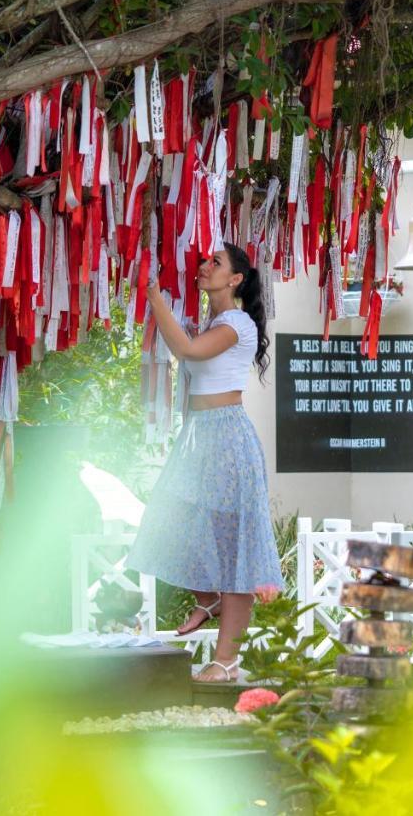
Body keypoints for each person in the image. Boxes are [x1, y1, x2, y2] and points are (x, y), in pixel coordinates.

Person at [127, 242, 283, 683]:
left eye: (217, 263)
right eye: (206, 259)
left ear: (235, 279)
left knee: (235, 550)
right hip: (198, 436)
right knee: (169, 518)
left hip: (227, 437)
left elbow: (189, 353)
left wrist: (155, 298)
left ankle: (226, 660)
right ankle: (209, 598)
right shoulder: (213, 322)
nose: (205, 266)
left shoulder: (238, 322)